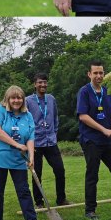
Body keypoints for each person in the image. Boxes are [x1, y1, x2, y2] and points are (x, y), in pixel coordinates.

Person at [75, 60, 111, 219]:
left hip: (108, 141)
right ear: (89, 74)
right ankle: (90, 211)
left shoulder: (107, 91)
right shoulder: (84, 92)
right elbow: (83, 116)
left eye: (101, 73)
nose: (99, 76)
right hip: (91, 140)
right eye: (95, 73)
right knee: (93, 174)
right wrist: (103, 129)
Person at [0, 86, 39, 220]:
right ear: (7, 99)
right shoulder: (0, 110)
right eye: (13, 97)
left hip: (18, 159)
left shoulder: (27, 115)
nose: (16, 100)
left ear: (23, 99)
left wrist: (31, 157)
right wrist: (16, 144)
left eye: (19, 97)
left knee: (23, 191)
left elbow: (30, 137)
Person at [25, 73, 67, 207]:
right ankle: (39, 202)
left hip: (51, 141)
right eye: (40, 82)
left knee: (60, 170)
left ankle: (61, 199)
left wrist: (54, 133)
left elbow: (55, 118)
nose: (43, 85)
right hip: (35, 143)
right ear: (35, 84)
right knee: (37, 173)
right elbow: (25, 121)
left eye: (44, 82)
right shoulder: (28, 101)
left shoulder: (51, 99)